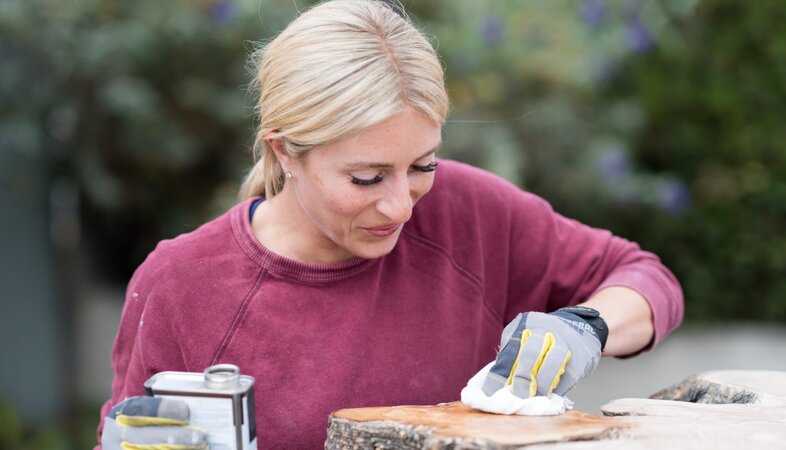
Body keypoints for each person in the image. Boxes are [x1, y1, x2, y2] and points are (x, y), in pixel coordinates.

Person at [96, 0, 684, 448]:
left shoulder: (469, 211)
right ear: (284, 153)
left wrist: (586, 327)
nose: (402, 206)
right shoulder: (183, 285)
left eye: (422, 165)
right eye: (368, 178)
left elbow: (644, 277)